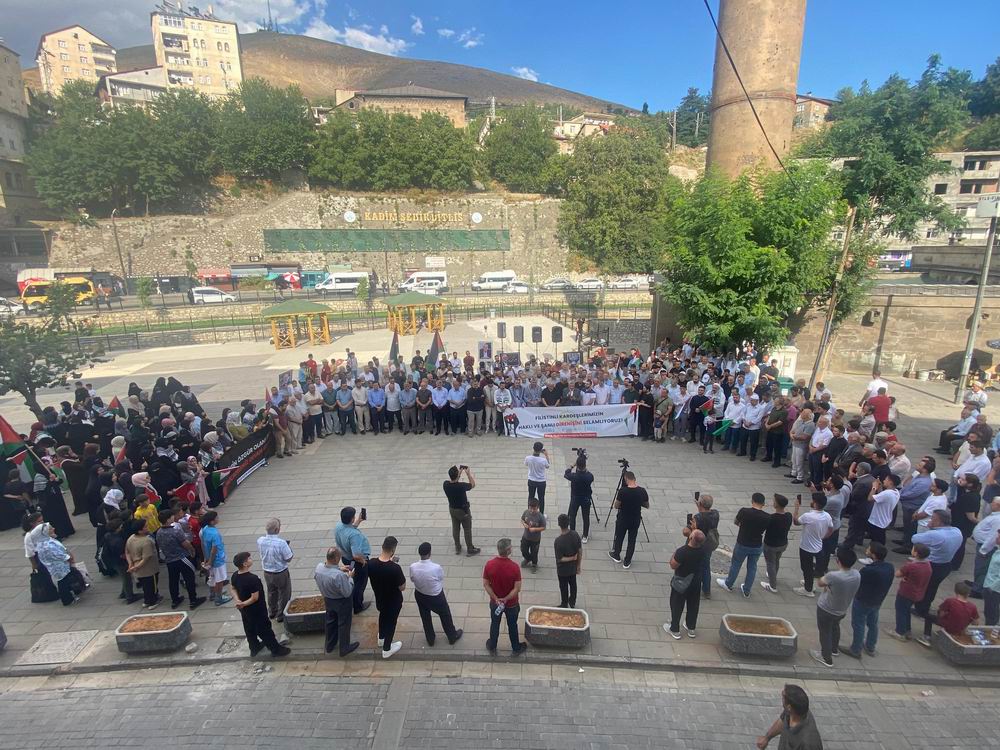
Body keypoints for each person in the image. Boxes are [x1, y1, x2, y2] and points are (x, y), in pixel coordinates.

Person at [230, 551, 291, 658]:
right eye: (249, 558)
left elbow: (233, 588)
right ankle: (275, 649)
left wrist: (238, 601)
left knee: (249, 627)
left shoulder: (235, 575)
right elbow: (255, 597)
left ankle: (254, 647)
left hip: (244, 609)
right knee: (264, 628)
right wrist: (243, 603)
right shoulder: (252, 579)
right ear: (245, 564)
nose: (251, 559)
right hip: (256, 609)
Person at [810, 546, 861, 668]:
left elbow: (820, 582)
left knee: (825, 632)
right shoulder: (856, 574)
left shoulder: (834, 576)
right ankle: (834, 649)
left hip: (826, 608)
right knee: (835, 627)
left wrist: (828, 587)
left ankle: (826, 657)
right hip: (842, 609)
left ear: (838, 561)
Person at [844, 542, 894, 658]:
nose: (867, 550)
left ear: (874, 555)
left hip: (863, 600)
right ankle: (870, 646)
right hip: (877, 600)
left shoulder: (869, 570)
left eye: (869, 549)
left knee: (858, 624)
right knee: (873, 624)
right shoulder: (889, 567)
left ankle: (856, 649)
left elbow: (857, 582)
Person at [912, 509, 965, 618]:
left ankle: (921, 609)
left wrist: (928, 529)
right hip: (946, 565)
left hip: (933, 565)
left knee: (925, 587)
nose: (930, 520)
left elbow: (914, 538)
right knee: (932, 587)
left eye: (932, 519)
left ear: (939, 522)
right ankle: (925, 606)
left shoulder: (935, 534)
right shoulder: (957, 531)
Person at [409, 542, 463, 646]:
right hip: (436, 596)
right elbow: (440, 577)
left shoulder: (413, 567)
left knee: (425, 617)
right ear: (429, 553)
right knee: (445, 615)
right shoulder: (435, 567)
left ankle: (430, 639)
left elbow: (412, 579)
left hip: (420, 594)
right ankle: (452, 636)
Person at [718, 492, 770, 598]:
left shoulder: (744, 511)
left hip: (742, 543)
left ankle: (728, 584)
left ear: (752, 501)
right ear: (763, 503)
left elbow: (736, 522)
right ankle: (746, 590)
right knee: (752, 567)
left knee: (736, 564)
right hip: (757, 545)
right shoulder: (767, 517)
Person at [483, 538, 527, 656]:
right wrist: (506, 599)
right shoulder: (514, 567)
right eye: (511, 547)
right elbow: (517, 588)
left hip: (495, 603)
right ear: (508, 550)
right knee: (512, 625)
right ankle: (516, 647)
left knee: (495, 623)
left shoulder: (489, 565)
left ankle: (492, 645)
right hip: (511, 604)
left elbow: (486, 584)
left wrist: (496, 598)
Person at [157, 507, 206, 610]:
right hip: (182, 557)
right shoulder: (175, 531)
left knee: (173, 580)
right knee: (189, 578)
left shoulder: (159, 532)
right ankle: (193, 600)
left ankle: (175, 600)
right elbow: (185, 543)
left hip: (169, 559)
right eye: (171, 516)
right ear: (168, 519)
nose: (173, 517)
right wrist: (192, 550)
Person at [314, 547, 359, 657]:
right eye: (339, 557)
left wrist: (339, 568)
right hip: (342, 602)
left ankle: (329, 645)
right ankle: (344, 648)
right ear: (336, 558)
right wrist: (350, 577)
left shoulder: (319, 567)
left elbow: (330, 570)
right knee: (344, 624)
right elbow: (347, 592)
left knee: (330, 622)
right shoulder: (338, 576)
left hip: (328, 600)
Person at [367, 536, 406, 659]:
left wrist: (390, 562)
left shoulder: (371, 563)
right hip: (393, 601)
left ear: (382, 547)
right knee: (391, 622)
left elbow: (380, 570)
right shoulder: (395, 568)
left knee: (383, 616)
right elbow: (402, 587)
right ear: (393, 550)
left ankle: (381, 638)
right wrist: (392, 563)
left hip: (380, 599)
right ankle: (387, 648)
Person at [665, 529, 707, 639]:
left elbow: (673, 565)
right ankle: (691, 628)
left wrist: (674, 554)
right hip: (696, 581)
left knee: (677, 605)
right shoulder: (703, 550)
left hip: (681, 583)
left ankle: (674, 629)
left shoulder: (682, 551)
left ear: (691, 538)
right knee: (693, 605)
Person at [756, 684, 824, 750]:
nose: (781, 698)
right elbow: (782, 721)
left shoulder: (809, 743)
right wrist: (767, 738)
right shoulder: (794, 712)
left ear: (789, 707)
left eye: (783, 697)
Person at [887, 543, 932, 642]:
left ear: (916, 553)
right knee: (906, 610)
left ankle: (900, 632)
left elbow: (897, 574)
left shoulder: (911, 566)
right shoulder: (928, 565)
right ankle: (907, 630)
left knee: (901, 611)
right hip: (918, 593)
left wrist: (904, 575)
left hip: (906, 592)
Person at [793, 493, 834, 598]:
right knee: (811, 567)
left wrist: (796, 509)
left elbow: (796, 522)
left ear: (815, 504)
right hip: (818, 546)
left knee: (806, 568)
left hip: (806, 547)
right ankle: (809, 582)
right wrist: (824, 537)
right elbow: (830, 528)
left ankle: (808, 589)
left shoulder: (808, 516)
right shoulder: (827, 516)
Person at [917, 581, 979, 648]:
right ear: (968, 594)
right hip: (961, 628)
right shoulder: (972, 606)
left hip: (949, 625)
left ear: (955, 591)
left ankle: (926, 637)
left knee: (929, 617)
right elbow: (976, 623)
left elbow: (941, 615)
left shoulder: (950, 601)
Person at [334, 506, 372, 614]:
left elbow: (348, 530)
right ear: (351, 518)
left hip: (346, 559)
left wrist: (358, 522)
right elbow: (356, 555)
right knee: (360, 583)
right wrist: (363, 561)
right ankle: (357, 606)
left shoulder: (338, 526)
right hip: (357, 562)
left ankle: (351, 595)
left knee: (353, 577)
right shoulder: (354, 535)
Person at [609, 471, 649, 569]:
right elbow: (647, 505)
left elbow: (616, 506)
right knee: (632, 540)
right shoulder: (642, 491)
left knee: (619, 537)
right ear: (634, 479)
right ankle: (627, 561)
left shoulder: (622, 491)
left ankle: (617, 555)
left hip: (623, 519)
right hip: (635, 519)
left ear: (626, 479)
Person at [258, 518, 294, 622]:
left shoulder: (260, 540)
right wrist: (288, 547)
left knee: (271, 592)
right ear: (277, 529)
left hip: (267, 572)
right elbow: (289, 558)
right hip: (280, 572)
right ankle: (281, 614)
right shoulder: (281, 543)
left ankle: (272, 611)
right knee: (284, 593)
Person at [36, 523, 80, 606]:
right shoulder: (48, 545)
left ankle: (70, 596)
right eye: (51, 528)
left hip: (57, 566)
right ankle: (67, 599)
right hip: (59, 567)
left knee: (63, 581)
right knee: (63, 582)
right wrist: (68, 558)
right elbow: (58, 554)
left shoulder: (44, 541)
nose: (54, 528)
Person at [443, 465, 481, 556]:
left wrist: (458, 473)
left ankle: (457, 547)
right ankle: (470, 548)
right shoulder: (461, 486)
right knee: (467, 529)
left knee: (455, 528)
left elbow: (454, 480)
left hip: (452, 509)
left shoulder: (446, 484)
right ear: (457, 476)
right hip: (463, 511)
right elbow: (472, 484)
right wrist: (468, 474)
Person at [689, 493, 720, 599]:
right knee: (706, 566)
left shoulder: (697, 518)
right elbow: (707, 515)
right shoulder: (715, 514)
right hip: (709, 544)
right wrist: (701, 506)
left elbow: (693, 531)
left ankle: (693, 587)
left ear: (700, 504)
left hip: (698, 544)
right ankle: (707, 591)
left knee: (695, 566)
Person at [125, 517, 160, 609]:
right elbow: (146, 558)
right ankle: (153, 601)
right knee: (152, 586)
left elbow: (127, 552)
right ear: (140, 531)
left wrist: (131, 564)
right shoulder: (146, 541)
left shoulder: (131, 538)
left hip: (138, 568)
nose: (147, 527)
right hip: (149, 568)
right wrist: (136, 567)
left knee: (145, 585)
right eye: (145, 527)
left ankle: (146, 600)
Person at [762, 494, 793, 593]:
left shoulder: (771, 518)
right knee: (776, 560)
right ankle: (773, 575)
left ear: (776, 504)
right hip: (783, 544)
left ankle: (772, 586)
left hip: (771, 545)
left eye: (774, 501)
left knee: (770, 563)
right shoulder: (788, 516)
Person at [199, 511, 232, 605]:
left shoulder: (205, 529)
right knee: (220, 580)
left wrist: (206, 557)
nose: (218, 518)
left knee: (212, 577)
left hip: (209, 558)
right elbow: (214, 549)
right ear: (212, 521)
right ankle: (219, 598)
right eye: (217, 517)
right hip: (217, 560)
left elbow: (203, 544)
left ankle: (213, 594)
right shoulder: (215, 534)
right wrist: (210, 561)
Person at [553, 514, 583, 608]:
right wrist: (578, 565)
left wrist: (571, 558)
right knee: (573, 584)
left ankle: (564, 603)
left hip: (562, 570)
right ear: (569, 523)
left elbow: (560, 558)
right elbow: (580, 551)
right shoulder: (575, 534)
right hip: (573, 567)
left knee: (563, 587)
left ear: (559, 524)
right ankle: (572, 601)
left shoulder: (558, 541)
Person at [564, 455, 595, 543]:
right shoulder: (589, 476)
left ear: (577, 466)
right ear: (585, 465)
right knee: (586, 517)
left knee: (573, 516)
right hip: (586, 498)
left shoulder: (574, 476)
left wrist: (572, 466)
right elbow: (591, 476)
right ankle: (585, 536)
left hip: (575, 498)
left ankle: (572, 534)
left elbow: (566, 474)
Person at [520, 498, 547, 572]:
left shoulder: (540, 516)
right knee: (523, 550)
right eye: (530, 508)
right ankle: (528, 558)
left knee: (534, 552)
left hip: (535, 539)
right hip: (526, 536)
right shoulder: (526, 512)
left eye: (534, 509)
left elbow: (543, 527)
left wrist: (535, 529)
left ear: (537, 508)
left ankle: (534, 564)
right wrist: (524, 524)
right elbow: (522, 519)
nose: (532, 510)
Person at [524, 442, 550, 514]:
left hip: (531, 480)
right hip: (541, 482)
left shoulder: (528, 458)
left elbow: (526, 464)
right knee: (541, 498)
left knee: (531, 497)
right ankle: (541, 514)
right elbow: (547, 466)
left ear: (533, 448)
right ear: (541, 450)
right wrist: (546, 455)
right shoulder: (543, 460)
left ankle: (529, 512)